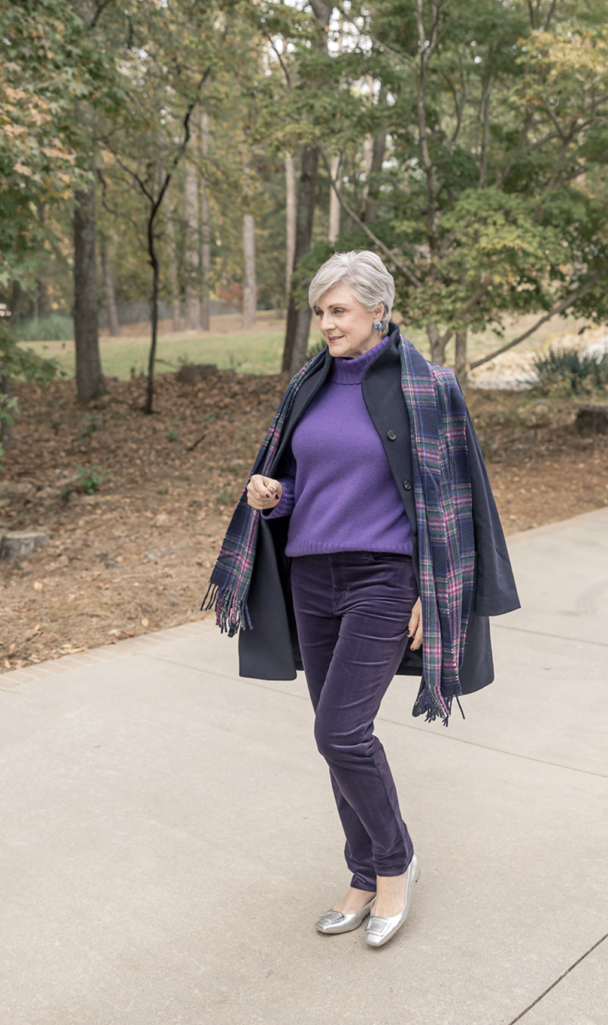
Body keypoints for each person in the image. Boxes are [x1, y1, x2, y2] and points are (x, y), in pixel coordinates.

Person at [205, 250, 519, 947]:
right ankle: (362, 870)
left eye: (339, 310)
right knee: (335, 736)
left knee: (340, 733)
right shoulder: (308, 384)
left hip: (384, 579)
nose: (326, 323)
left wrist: (429, 590)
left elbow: (453, 501)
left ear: (378, 310)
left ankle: (395, 862)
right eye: (320, 311)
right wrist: (273, 494)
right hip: (312, 577)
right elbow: (301, 482)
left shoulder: (428, 388)